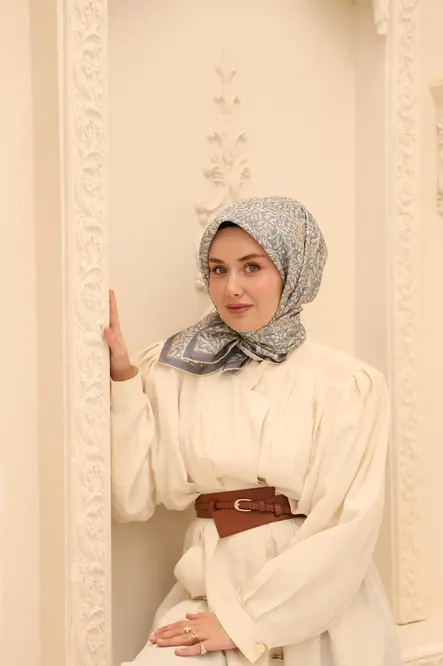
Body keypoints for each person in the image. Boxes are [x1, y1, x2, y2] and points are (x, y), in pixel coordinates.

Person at [104, 196, 403, 666]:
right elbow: (134, 496)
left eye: (252, 267)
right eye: (218, 270)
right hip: (208, 591)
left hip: (318, 611)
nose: (232, 288)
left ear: (293, 270)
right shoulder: (179, 368)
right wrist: (123, 379)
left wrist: (243, 623)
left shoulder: (347, 384)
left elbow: (346, 526)